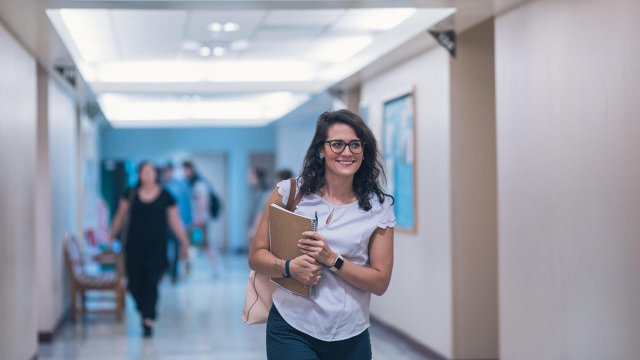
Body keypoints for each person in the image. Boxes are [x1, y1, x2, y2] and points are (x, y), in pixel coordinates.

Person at [248, 109, 395, 359]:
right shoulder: (290, 193)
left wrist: (333, 260)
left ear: (364, 150)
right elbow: (256, 256)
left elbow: (380, 282)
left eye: (355, 145)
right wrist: (289, 267)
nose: (347, 152)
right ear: (321, 150)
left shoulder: (378, 206)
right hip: (292, 327)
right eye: (337, 144)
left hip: (352, 333)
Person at [109, 161, 190, 337]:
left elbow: (175, 221)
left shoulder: (166, 196)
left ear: (155, 174)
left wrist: (184, 242)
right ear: (139, 175)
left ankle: (148, 318)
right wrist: (110, 237)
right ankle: (143, 309)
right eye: (143, 172)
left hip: (157, 248)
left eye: (150, 172)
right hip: (133, 248)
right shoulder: (130, 194)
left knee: (151, 283)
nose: (147, 175)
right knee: (134, 285)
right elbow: (119, 218)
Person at [160, 163, 191, 283]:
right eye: (165, 172)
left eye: (169, 171)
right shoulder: (161, 187)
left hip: (178, 222)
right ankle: (165, 271)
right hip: (163, 224)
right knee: (164, 249)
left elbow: (186, 205)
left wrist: (187, 222)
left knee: (178, 249)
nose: (167, 174)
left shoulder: (180, 186)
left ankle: (174, 274)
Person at [182, 161, 210, 249]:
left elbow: (202, 202)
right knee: (191, 244)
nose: (184, 173)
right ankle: (188, 262)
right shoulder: (190, 183)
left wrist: (198, 219)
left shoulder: (199, 184)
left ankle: (217, 263)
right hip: (193, 219)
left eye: (185, 170)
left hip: (199, 220)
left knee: (204, 245)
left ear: (191, 170)